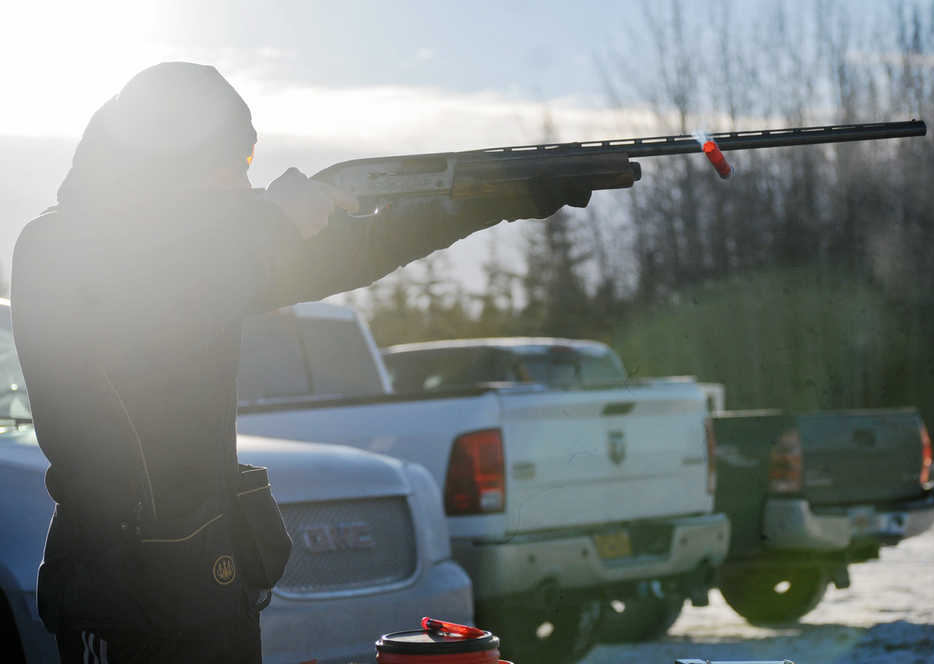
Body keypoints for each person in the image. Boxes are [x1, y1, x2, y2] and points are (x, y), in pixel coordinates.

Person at [10, 62, 588, 663]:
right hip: (125, 587)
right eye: (229, 168)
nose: (240, 186)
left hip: (210, 578)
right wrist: (270, 221)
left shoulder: (217, 254)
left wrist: (491, 200)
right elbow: (150, 299)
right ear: (169, 161)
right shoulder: (58, 247)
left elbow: (359, 249)